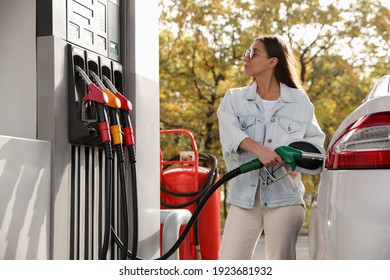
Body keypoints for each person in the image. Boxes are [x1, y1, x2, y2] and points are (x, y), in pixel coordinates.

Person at [217, 35, 325, 260]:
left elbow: (316, 145)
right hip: (244, 198)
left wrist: (297, 161)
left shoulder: (299, 101)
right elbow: (229, 133)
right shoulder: (234, 99)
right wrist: (259, 149)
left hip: (284, 198)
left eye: (253, 52)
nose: (246, 57)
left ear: (272, 62)